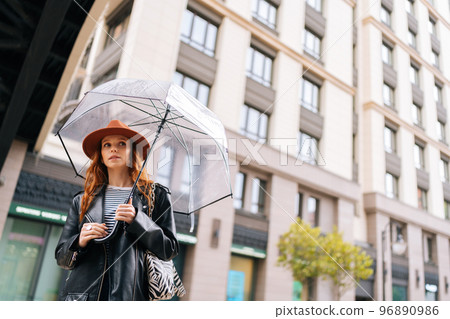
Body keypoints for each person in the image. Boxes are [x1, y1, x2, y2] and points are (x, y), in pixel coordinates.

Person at [55, 120, 179, 301]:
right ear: (101, 155)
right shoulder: (82, 200)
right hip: (82, 298)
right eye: (107, 145)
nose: (114, 149)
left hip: (129, 296)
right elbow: (61, 257)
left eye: (122, 143)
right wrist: (80, 240)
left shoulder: (156, 196)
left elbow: (170, 249)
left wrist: (139, 220)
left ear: (133, 152)